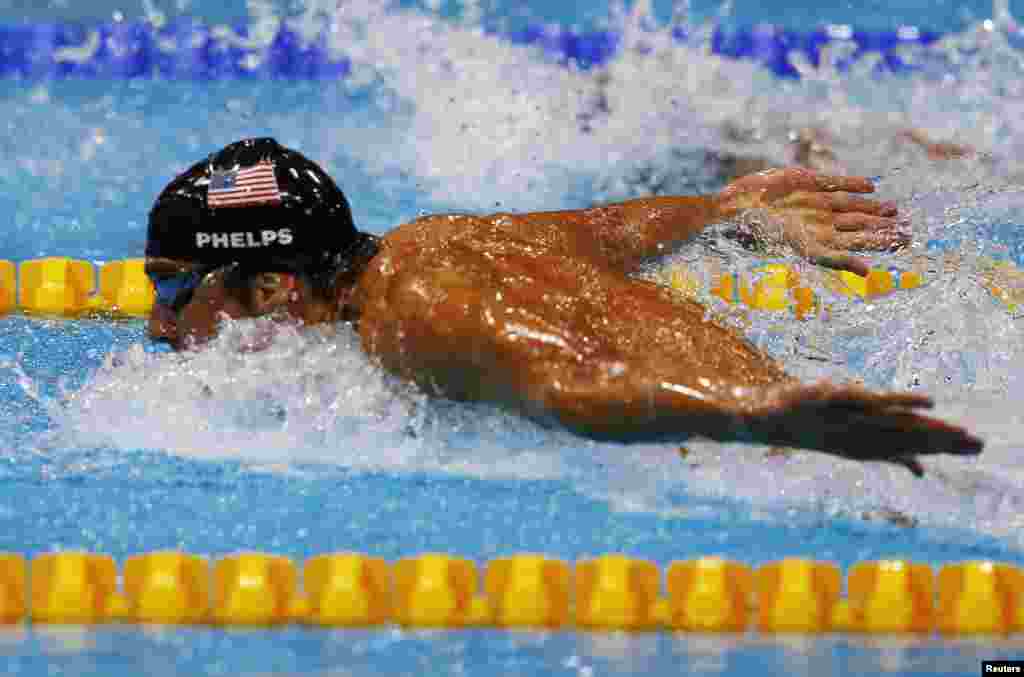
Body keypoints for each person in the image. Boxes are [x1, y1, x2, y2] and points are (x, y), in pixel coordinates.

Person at [145, 137, 983, 475]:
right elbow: (608, 228)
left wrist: (759, 415)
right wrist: (730, 208)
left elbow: (574, 385)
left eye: (175, 289)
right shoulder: (435, 239)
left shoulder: (412, 315)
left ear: (271, 286)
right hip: (803, 416)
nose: (158, 324)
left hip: (801, 455)